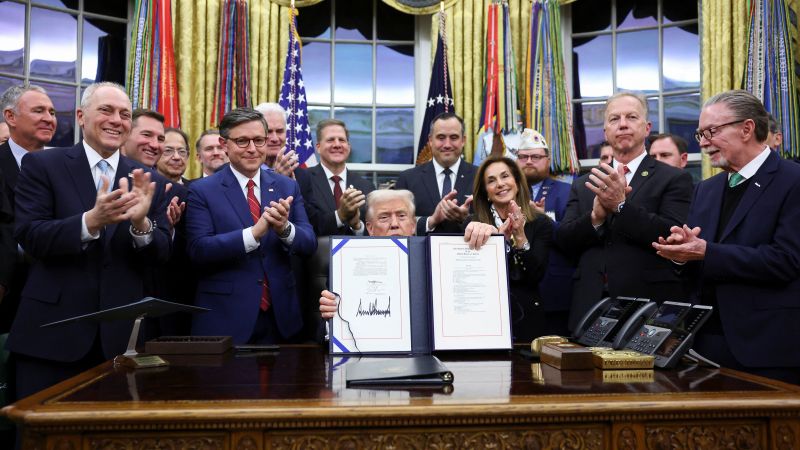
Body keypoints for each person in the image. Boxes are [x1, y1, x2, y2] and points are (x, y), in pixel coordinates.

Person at [6, 82, 172, 399]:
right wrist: (90, 221)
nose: (116, 120)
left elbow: (161, 255)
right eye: (106, 110)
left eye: (124, 114)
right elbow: (30, 236)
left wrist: (141, 224)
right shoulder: (43, 165)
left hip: (121, 342)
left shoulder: (147, 179)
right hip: (52, 337)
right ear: (81, 116)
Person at [652, 90, 800, 384]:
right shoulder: (705, 189)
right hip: (702, 345)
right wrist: (681, 256)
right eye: (700, 134)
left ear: (747, 129)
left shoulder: (793, 181)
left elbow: (786, 261)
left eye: (712, 131)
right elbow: (698, 262)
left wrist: (705, 252)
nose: (703, 142)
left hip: (767, 349)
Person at [556, 91, 694, 332]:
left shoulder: (674, 178)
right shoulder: (585, 183)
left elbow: (670, 235)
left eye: (631, 117)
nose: (622, 124)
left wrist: (621, 206)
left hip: (649, 305)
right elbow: (564, 241)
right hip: (589, 304)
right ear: (605, 132)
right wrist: (595, 218)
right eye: (614, 119)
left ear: (647, 127)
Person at [186, 107, 316, 345]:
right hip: (225, 318)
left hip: (281, 318)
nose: (252, 148)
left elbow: (309, 243)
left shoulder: (287, 186)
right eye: (242, 141)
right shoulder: (201, 190)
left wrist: (284, 229)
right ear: (224, 144)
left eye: (258, 140)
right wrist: (253, 234)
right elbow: (198, 250)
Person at [319, 189, 494, 319]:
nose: (394, 224)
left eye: (402, 216)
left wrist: (490, 237)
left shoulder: (437, 264)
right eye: (384, 217)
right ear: (370, 228)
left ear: (413, 226)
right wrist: (331, 319)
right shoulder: (345, 267)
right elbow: (321, 334)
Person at [469, 156, 552, 342]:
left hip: (528, 319)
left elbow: (535, 275)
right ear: (486, 192)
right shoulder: (473, 225)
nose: (500, 184)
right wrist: (500, 244)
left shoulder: (540, 223)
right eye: (491, 180)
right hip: (484, 316)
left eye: (505, 176)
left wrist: (520, 236)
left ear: (517, 182)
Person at [0, 84, 57, 335]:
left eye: (52, 112)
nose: (49, 118)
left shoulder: (65, 168)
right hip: (8, 296)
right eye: (38, 111)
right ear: (10, 117)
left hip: (56, 298)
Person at [516, 129, 574, 336]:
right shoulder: (506, 192)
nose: (529, 161)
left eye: (536, 157)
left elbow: (572, 240)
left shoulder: (567, 191)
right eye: (523, 157)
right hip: (516, 293)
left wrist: (544, 219)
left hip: (554, 291)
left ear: (548, 160)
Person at [395, 112, 477, 235]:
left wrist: (466, 219)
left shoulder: (481, 176)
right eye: (441, 138)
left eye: (454, 137)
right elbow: (398, 223)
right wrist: (431, 221)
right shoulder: (407, 179)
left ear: (463, 140)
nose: (447, 144)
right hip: (422, 247)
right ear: (430, 140)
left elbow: (492, 220)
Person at [296, 119, 374, 236]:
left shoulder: (366, 186)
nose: (337, 145)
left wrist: (357, 226)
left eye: (342, 140)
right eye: (330, 140)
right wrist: (340, 215)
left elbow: (374, 231)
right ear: (318, 147)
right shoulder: (302, 179)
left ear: (348, 147)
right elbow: (304, 225)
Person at [254, 102, 299, 177]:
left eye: (279, 131)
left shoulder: (301, 174)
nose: (275, 139)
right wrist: (279, 178)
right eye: (268, 132)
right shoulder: (243, 172)